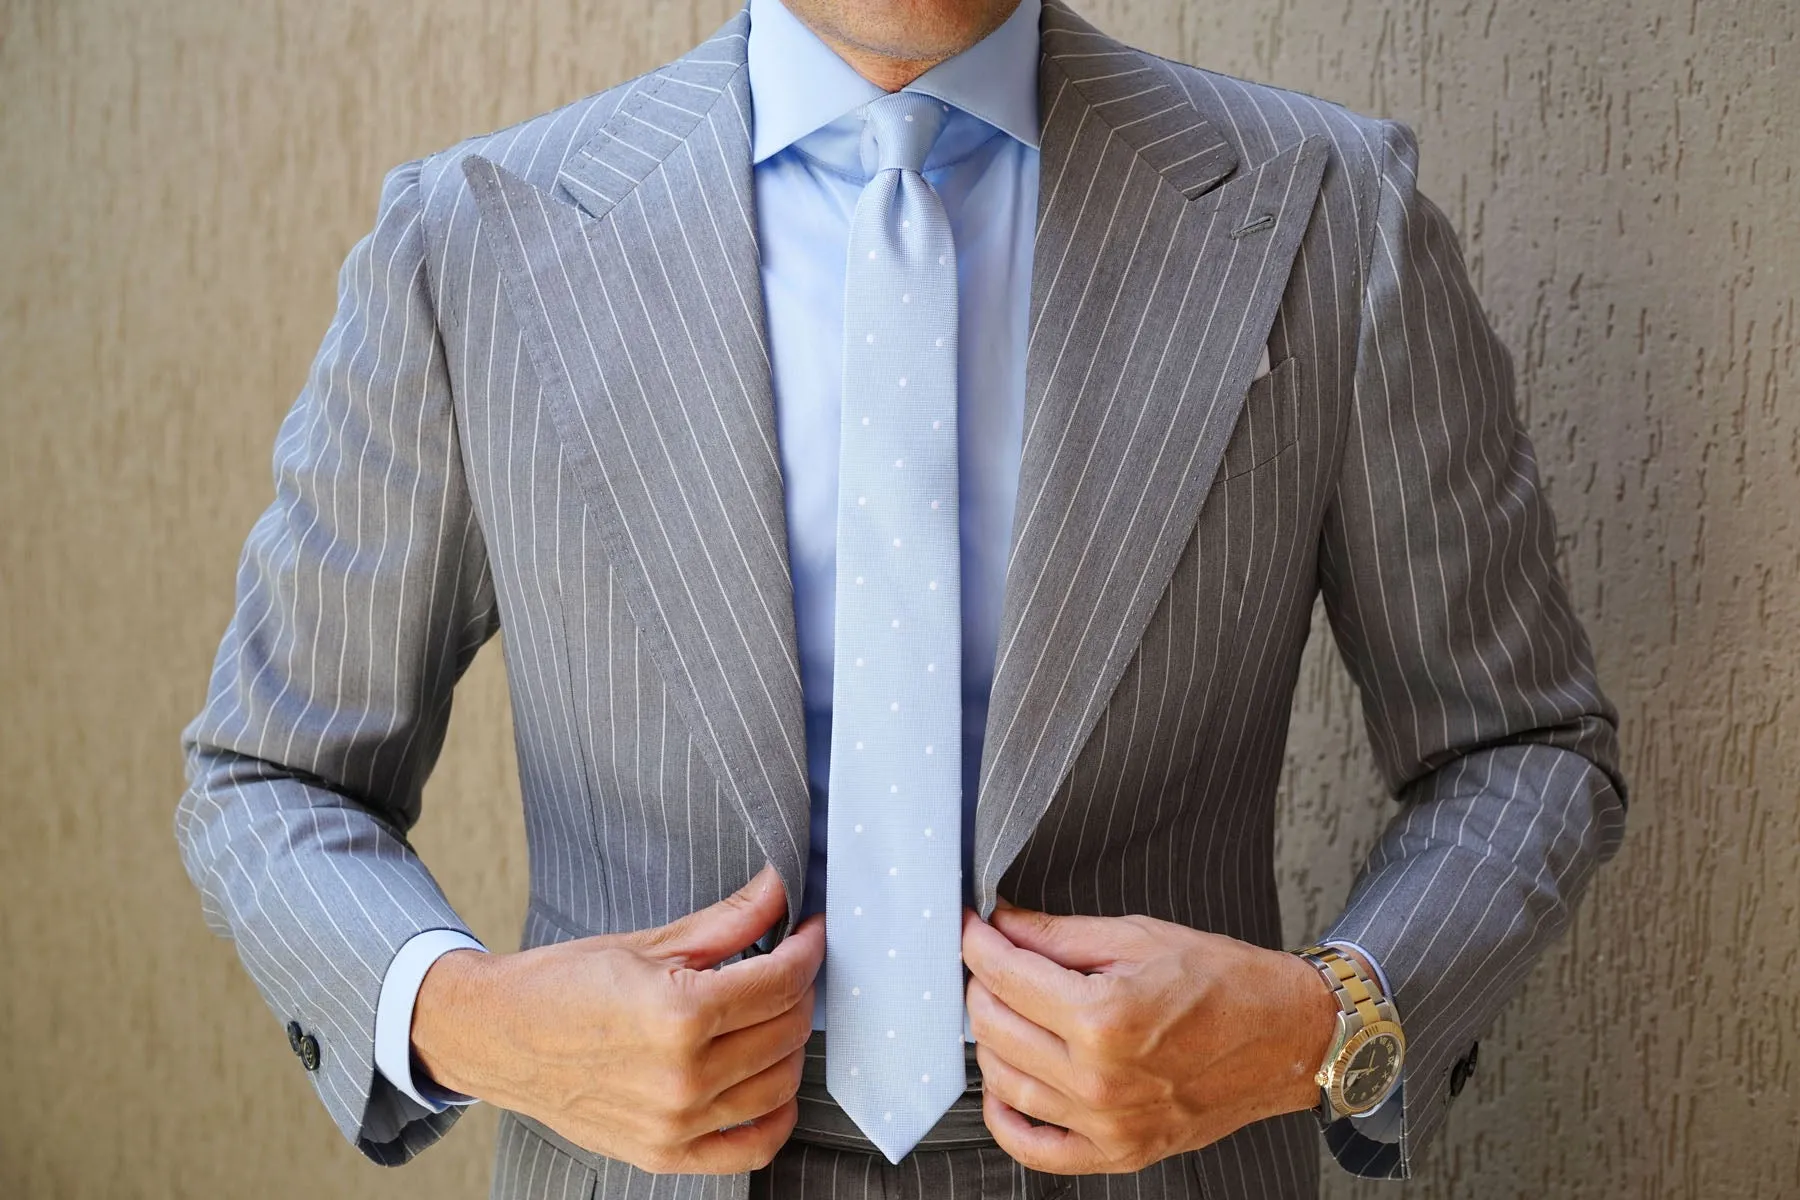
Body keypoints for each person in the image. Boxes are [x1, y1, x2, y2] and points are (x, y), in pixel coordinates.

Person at [174, 0, 1629, 1195]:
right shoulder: (472, 244)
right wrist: (472, 1022)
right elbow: (265, 772)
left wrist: (1329, 1021)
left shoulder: (1328, 213)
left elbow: (1521, 749)